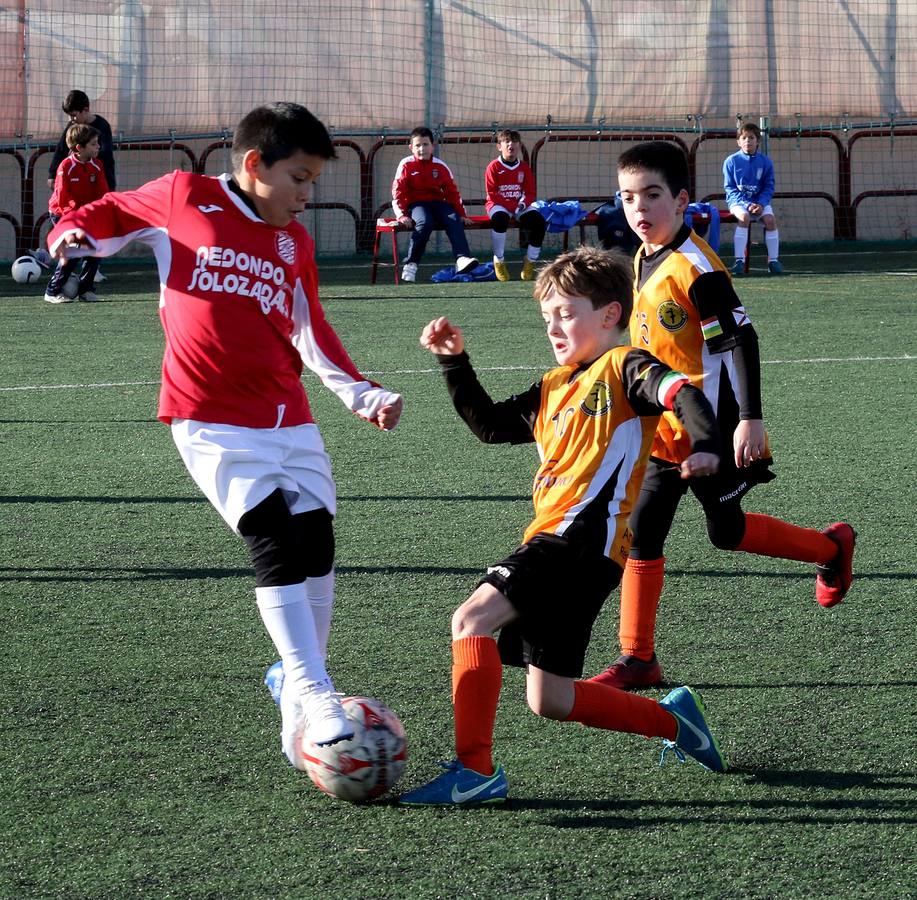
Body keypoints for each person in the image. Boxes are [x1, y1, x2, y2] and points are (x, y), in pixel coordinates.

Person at [47, 102, 404, 765]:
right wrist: (70, 233)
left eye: (312, 181)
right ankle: (311, 685)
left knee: (316, 540)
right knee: (270, 535)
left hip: (286, 415)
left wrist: (361, 392)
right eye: (297, 177)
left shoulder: (292, 244)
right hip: (207, 415)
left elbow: (309, 325)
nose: (306, 194)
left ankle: (296, 696)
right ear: (252, 165)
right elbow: (111, 213)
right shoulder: (186, 197)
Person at [399, 246, 728, 807]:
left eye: (567, 313)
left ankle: (474, 770)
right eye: (547, 315)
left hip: (576, 542)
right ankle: (675, 724)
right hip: (577, 551)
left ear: (610, 314)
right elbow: (492, 426)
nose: (553, 326)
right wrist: (455, 362)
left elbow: (683, 392)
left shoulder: (627, 367)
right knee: (548, 698)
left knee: (471, 619)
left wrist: (706, 444)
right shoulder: (554, 386)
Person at [590, 141, 855, 691]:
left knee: (727, 533)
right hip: (663, 429)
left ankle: (831, 548)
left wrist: (750, 420)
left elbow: (741, 339)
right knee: (642, 532)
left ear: (682, 199)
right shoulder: (643, 254)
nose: (639, 209)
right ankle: (638, 658)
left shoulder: (698, 270)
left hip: (712, 428)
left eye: (653, 196)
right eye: (628, 197)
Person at [391, 127, 478, 283]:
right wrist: (402, 215)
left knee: (453, 218)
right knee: (424, 222)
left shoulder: (441, 166)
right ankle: (411, 264)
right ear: (411, 147)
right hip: (416, 205)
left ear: (433, 146)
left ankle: (462, 258)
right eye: (417, 145)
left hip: (438, 203)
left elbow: (452, 193)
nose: (422, 149)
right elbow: (398, 193)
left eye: (425, 144)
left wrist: (462, 214)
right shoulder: (405, 165)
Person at [43, 123, 109, 304]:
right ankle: (52, 291)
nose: (98, 147)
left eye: (98, 143)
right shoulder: (66, 167)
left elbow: (102, 194)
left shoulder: (97, 165)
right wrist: (76, 220)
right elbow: (63, 199)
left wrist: (101, 212)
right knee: (73, 251)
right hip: (63, 214)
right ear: (79, 148)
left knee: (95, 250)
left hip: (85, 216)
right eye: (94, 144)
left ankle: (85, 290)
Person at [484, 129, 547, 282]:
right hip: (498, 205)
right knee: (500, 219)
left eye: (514, 141)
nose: (511, 144)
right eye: (507, 141)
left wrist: (522, 204)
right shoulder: (493, 167)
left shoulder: (524, 167)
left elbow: (530, 192)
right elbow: (492, 193)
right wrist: (511, 206)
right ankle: (499, 260)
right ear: (499, 146)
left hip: (519, 206)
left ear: (519, 146)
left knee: (539, 222)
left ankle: (530, 261)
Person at [723, 122, 781, 275]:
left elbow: (769, 187)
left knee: (770, 220)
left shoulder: (766, 162)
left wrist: (761, 204)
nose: (747, 141)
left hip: (760, 203)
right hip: (738, 202)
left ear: (758, 141)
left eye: (751, 137)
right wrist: (747, 204)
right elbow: (730, 188)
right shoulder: (731, 161)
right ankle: (739, 261)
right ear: (738, 141)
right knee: (744, 217)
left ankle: (773, 261)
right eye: (744, 138)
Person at [47, 90, 116, 191]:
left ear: (85, 110)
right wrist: (52, 175)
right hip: (78, 182)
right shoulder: (72, 126)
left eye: (74, 115)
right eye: (69, 116)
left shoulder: (102, 126)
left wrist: (83, 156)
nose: (71, 119)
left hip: (100, 181)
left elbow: (106, 153)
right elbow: (61, 150)